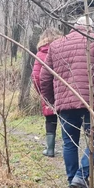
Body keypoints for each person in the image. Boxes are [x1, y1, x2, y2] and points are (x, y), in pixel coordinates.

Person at [40, 16, 94, 188]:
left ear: (75, 27)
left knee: (69, 143)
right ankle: (81, 176)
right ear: (91, 28)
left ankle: (72, 179)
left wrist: (53, 100)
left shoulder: (56, 45)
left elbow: (44, 77)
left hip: (65, 105)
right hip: (92, 103)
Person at [31, 28, 63, 157]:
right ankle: (69, 147)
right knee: (67, 119)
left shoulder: (40, 54)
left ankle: (50, 149)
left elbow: (36, 76)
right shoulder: (63, 49)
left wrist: (42, 93)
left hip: (47, 91)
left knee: (50, 119)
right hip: (64, 91)